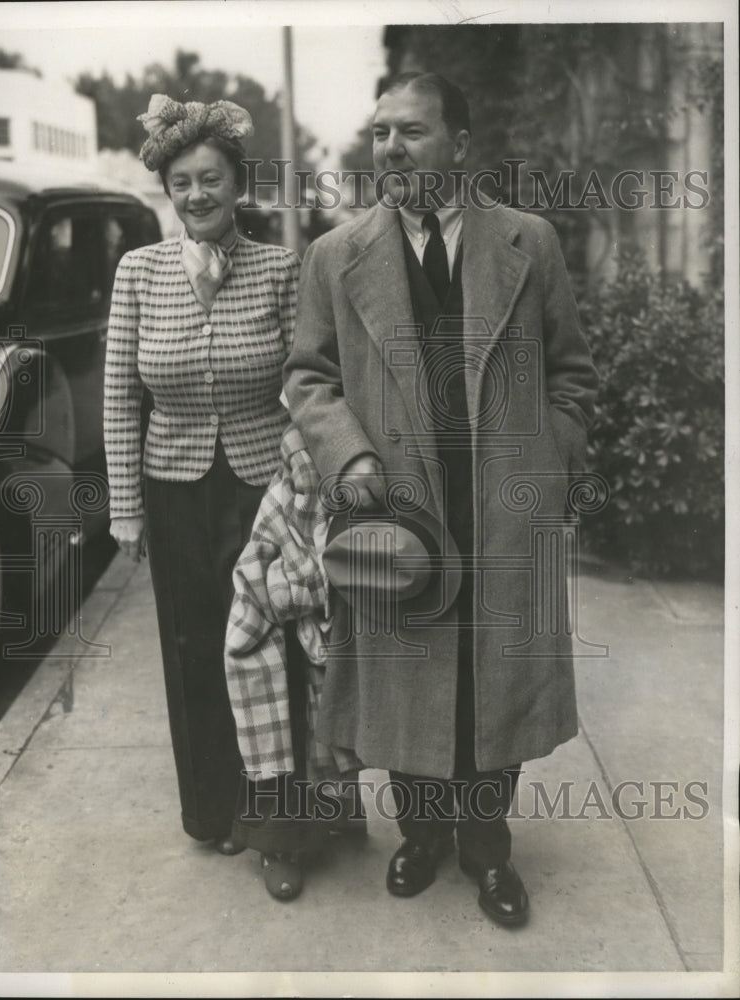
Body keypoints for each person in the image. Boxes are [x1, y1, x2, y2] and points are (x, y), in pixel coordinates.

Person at [284, 72, 599, 926]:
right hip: (394, 508)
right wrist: (346, 457)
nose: (389, 148)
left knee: (491, 687)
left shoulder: (527, 243)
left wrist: (549, 459)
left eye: (411, 132)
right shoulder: (334, 255)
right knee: (405, 680)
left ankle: (487, 852)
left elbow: (570, 373)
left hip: (501, 512)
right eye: (380, 132)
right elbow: (309, 379)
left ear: (460, 145)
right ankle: (419, 837)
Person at [103, 94, 300, 865]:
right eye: (181, 182)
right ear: (167, 189)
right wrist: (126, 510)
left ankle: (282, 820)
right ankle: (215, 812)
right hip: (174, 488)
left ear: (237, 182)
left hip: (265, 487)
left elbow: (307, 383)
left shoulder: (280, 266)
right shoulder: (138, 272)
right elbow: (121, 393)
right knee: (194, 651)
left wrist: (304, 491)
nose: (197, 195)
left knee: (272, 646)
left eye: (210, 178)